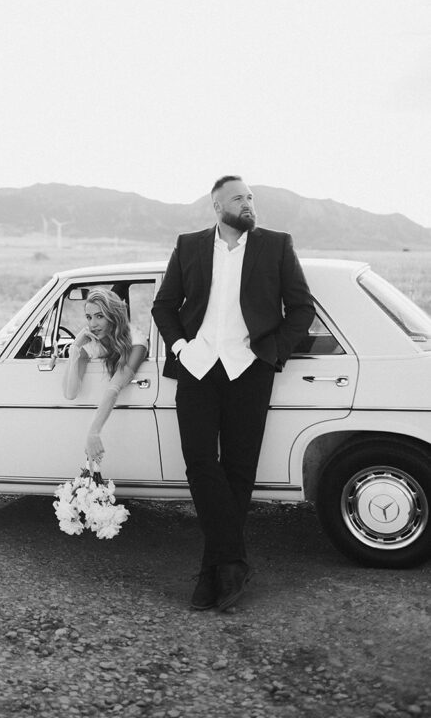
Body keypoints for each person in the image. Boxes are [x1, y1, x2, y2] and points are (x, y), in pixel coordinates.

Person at [151, 175, 314, 612]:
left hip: (250, 371)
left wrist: (272, 353)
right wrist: (181, 347)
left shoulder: (276, 245)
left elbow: (302, 309)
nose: (248, 204)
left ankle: (213, 572)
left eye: (251, 198)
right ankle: (232, 561)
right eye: (239, 198)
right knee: (200, 465)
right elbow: (163, 305)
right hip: (197, 369)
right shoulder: (188, 245)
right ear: (217, 206)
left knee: (239, 471)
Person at [63, 288, 148, 465]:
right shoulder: (92, 343)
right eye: (89, 317)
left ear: (113, 316)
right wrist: (75, 349)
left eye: (99, 316)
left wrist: (93, 432)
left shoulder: (136, 343)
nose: (92, 324)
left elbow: (114, 388)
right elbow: (70, 393)